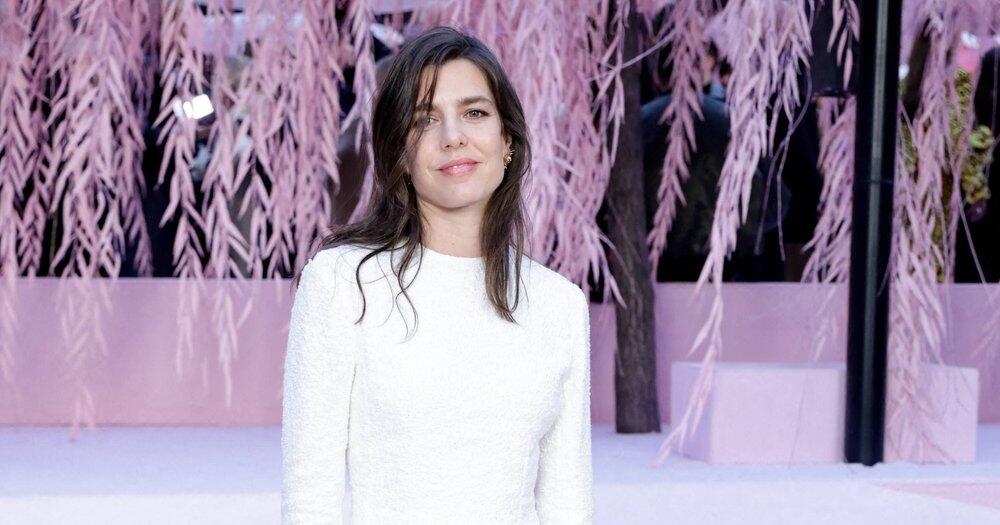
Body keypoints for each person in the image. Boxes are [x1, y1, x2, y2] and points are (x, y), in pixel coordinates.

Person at [281, 26, 594, 524]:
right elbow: (309, 497)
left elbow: (567, 501)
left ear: (507, 140)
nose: (454, 137)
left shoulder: (559, 304)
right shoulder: (342, 283)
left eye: (475, 113)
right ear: (400, 154)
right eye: (425, 120)